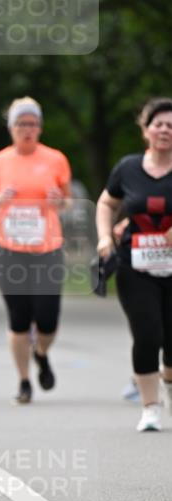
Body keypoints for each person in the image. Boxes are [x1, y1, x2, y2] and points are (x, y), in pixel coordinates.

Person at [0, 97, 72, 404]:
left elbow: (68, 203)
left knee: (48, 318)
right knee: (18, 317)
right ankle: (24, 380)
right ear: (11, 128)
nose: (27, 129)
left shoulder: (56, 159)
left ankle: (41, 353)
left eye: (32, 124)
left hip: (47, 248)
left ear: (40, 128)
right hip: (7, 248)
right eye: (21, 123)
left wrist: (60, 201)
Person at [96, 97, 172, 432]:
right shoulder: (127, 167)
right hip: (134, 265)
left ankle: (167, 386)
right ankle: (150, 407)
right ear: (146, 129)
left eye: (171, 126)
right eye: (159, 124)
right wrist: (103, 237)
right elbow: (106, 203)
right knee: (147, 332)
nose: (165, 130)